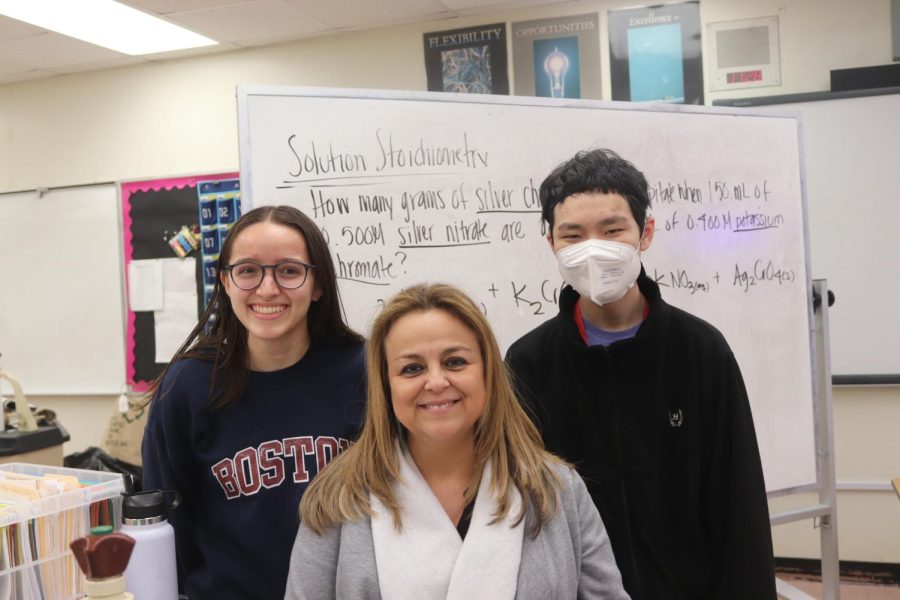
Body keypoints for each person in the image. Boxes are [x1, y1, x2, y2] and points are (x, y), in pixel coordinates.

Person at [505, 149, 776, 600]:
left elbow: (738, 504)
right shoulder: (528, 363)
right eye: (573, 235)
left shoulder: (700, 351)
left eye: (612, 230)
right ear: (551, 242)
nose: (593, 249)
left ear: (644, 232)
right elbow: (522, 511)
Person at [284, 283, 630, 600]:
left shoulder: (556, 490)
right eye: (411, 369)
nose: (435, 382)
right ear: (385, 386)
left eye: (455, 362)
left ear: (487, 372)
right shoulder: (338, 499)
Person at [142, 205, 365, 599]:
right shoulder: (188, 386)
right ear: (225, 283)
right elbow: (169, 527)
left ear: (318, 286)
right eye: (248, 270)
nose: (267, 289)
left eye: (289, 271)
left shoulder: (364, 372)